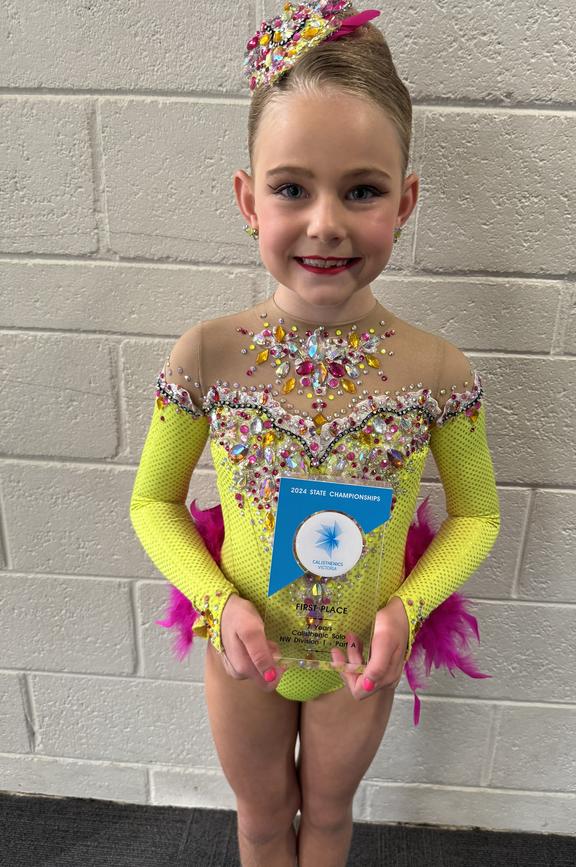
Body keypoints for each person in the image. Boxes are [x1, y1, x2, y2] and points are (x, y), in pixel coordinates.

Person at [129, 3, 501, 865]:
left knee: (329, 819)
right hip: (245, 645)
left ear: (404, 202)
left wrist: (407, 610)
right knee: (261, 820)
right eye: (292, 187)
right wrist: (218, 605)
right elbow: (153, 500)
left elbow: (477, 515)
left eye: (362, 190)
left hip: (355, 651)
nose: (326, 223)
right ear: (246, 199)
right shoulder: (207, 353)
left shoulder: (437, 369)